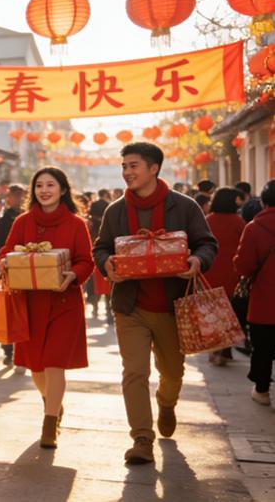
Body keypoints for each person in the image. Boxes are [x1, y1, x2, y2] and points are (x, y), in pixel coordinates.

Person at [93, 142, 217, 465]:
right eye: (124, 166)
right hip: (130, 306)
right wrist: (106, 263)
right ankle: (142, 439)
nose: (127, 172)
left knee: (173, 372)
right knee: (134, 372)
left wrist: (196, 259)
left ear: (153, 168)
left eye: (133, 165)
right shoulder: (115, 210)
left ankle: (166, 402)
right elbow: (101, 248)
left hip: (172, 306)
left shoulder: (185, 207)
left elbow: (207, 243)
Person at [0, 167, 95, 449]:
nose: (44, 190)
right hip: (29, 302)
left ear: (63, 189)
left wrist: (73, 275)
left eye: (50, 185)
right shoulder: (23, 221)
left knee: (54, 363)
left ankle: (49, 423)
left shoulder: (76, 224)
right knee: (36, 367)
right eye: (39, 185)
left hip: (64, 302)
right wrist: (4, 261)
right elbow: (6, 250)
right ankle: (52, 403)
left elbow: (86, 261)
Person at [235, 180, 275, 407]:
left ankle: (262, 391)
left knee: (263, 348)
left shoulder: (254, 227)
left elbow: (244, 266)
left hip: (264, 301)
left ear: (263, 201)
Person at [204, 187, 247, 366]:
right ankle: (225, 351)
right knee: (230, 312)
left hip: (210, 271)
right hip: (231, 272)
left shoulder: (207, 220)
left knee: (213, 312)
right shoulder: (238, 222)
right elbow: (244, 246)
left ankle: (215, 348)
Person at [88, 189, 113, 319]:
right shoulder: (109, 222)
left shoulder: (90, 224)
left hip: (94, 257)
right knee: (107, 286)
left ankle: (95, 309)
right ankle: (108, 313)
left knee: (94, 285)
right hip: (106, 258)